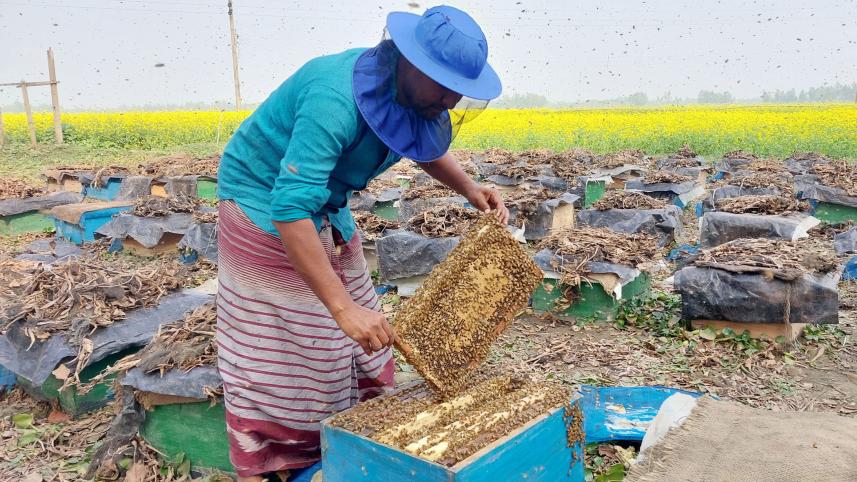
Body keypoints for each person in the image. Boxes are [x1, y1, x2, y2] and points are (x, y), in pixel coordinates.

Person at [215, 5, 507, 481]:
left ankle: (360, 430)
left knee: (364, 330)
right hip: (263, 198)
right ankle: (276, 460)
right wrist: (341, 310)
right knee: (295, 341)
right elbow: (290, 208)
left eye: (461, 89)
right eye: (443, 84)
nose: (452, 99)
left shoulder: (414, 96)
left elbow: (420, 142)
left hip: (326, 201)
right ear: (409, 62)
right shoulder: (333, 98)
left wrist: (469, 187)